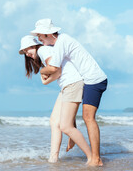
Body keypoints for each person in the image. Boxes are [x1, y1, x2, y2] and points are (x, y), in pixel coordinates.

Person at [31, 19, 108, 167]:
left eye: (40, 35)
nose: (39, 39)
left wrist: (42, 71)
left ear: (47, 34)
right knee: (85, 118)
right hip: (88, 80)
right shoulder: (59, 42)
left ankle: (95, 159)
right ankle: (94, 157)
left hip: (94, 80)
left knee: (88, 118)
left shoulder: (62, 41)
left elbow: (53, 68)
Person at [19, 35, 92, 164]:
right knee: (54, 121)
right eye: (24, 52)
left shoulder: (43, 50)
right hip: (67, 85)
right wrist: (45, 77)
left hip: (72, 83)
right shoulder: (44, 51)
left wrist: (44, 78)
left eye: (27, 50)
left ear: (34, 45)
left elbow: (57, 71)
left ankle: (92, 157)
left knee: (65, 126)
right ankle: (53, 158)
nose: (27, 54)